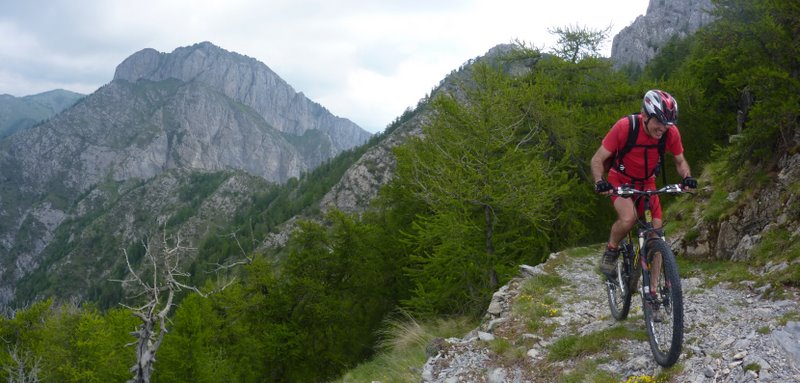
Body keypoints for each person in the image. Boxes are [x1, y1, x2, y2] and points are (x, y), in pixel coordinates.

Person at [590, 90, 697, 318]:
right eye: (659, 121)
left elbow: (679, 161)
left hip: (647, 184)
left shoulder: (670, 132)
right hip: (620, 182)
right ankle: (611, 250)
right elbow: (598, 159)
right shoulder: (625, 127)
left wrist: (687, 177)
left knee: (656, 237)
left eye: (668, 123)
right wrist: (600, 181)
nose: (663, 128)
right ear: (645, 115)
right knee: (628, 219)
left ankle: (653, 295)